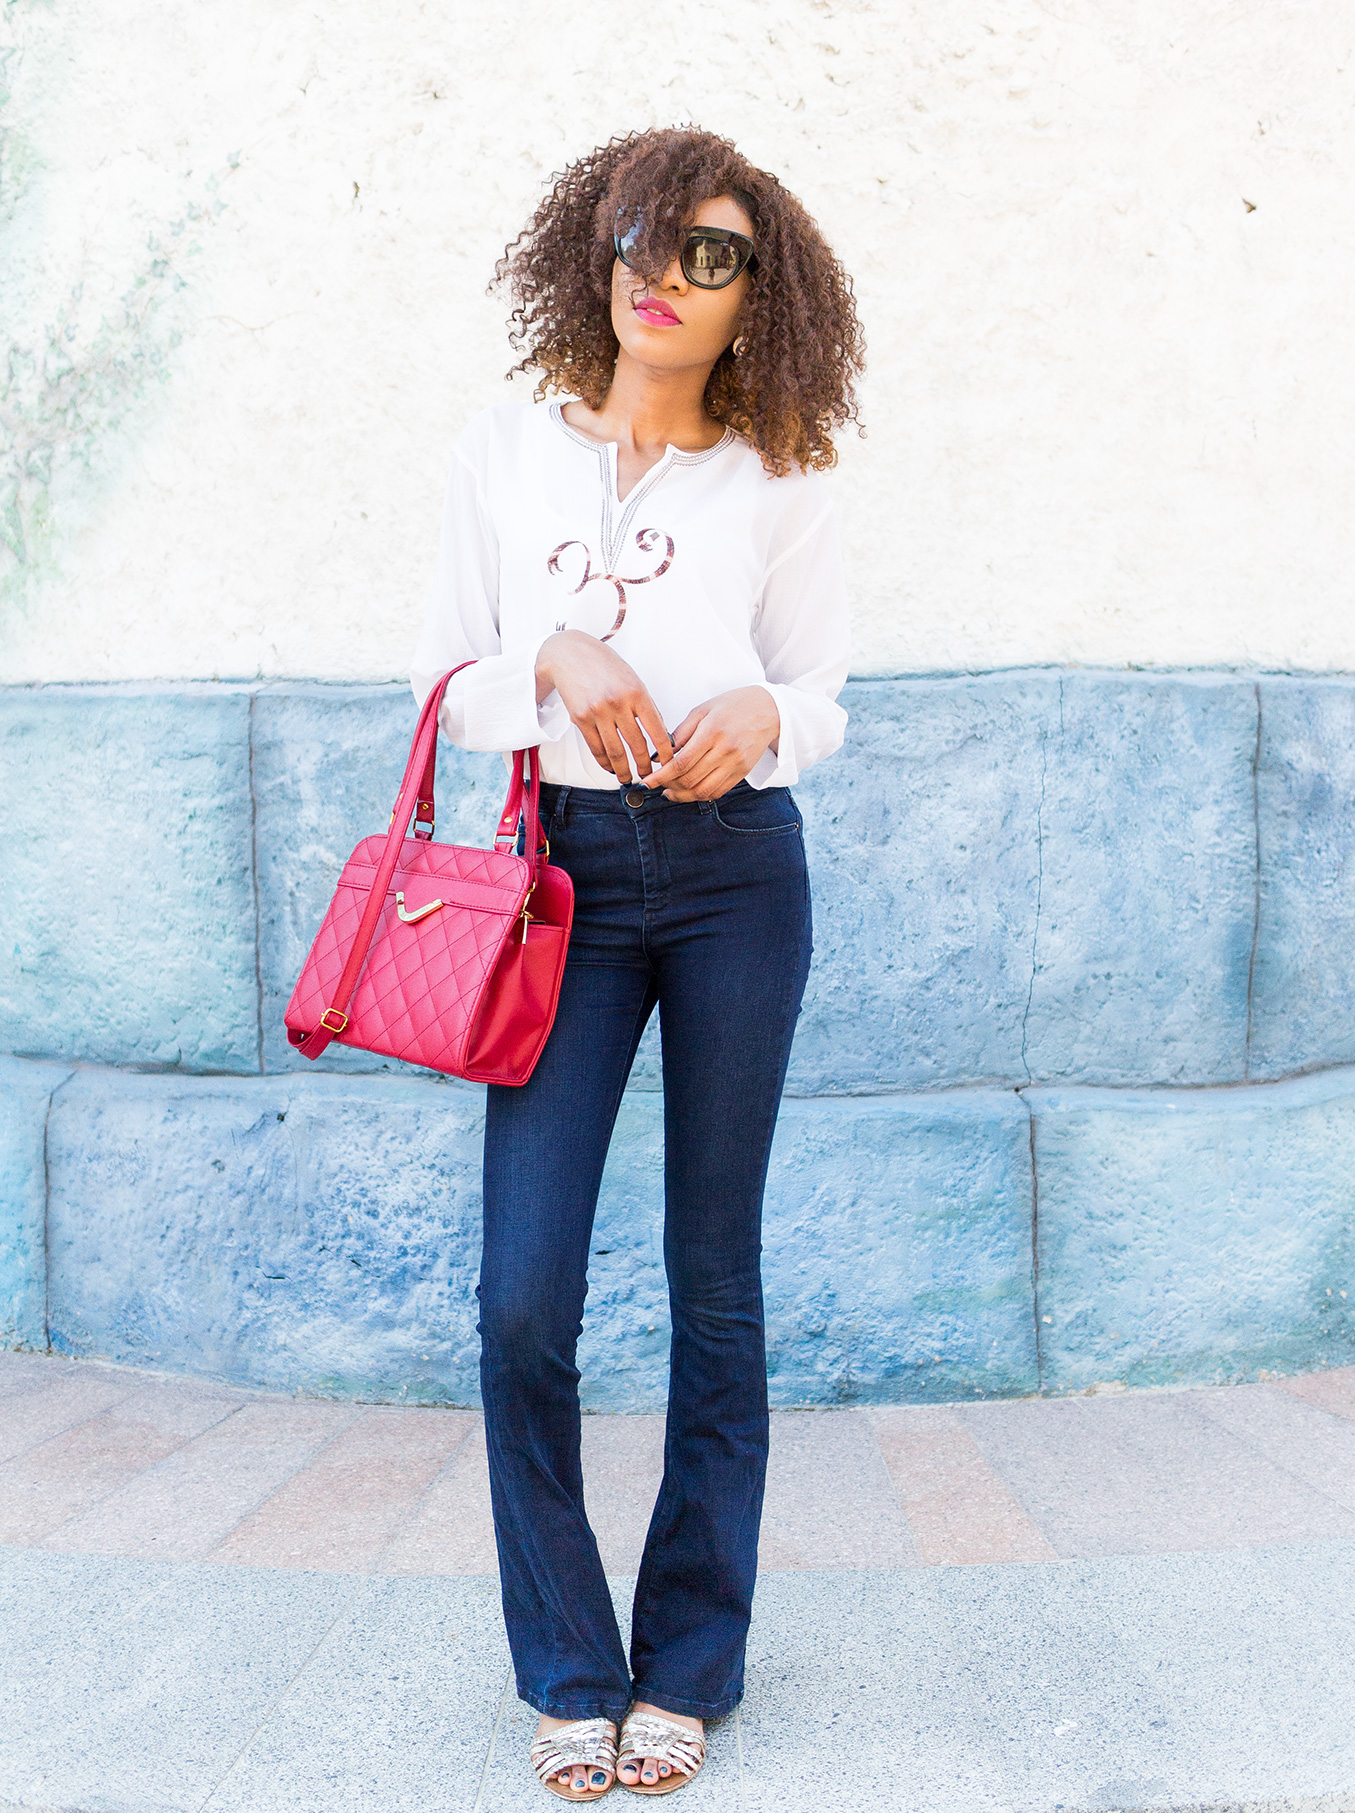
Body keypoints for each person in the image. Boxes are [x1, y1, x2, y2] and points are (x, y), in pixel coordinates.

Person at [411, 126, 863, 1800]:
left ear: (763, 296)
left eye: (714, 255)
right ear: (594, 254)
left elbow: (820, 692)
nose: (666, 279)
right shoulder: (508, 452)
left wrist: (763, 718)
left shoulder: (785, 470)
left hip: (739, 878)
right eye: (642, 241)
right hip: (561, 885)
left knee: (714, 1280)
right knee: (524, 1295)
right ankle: (568, 1665)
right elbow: (445, 675)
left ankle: (689, 1657)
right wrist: (551, 650)